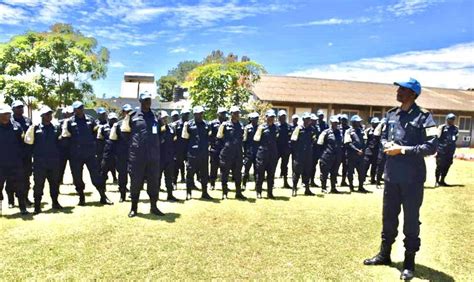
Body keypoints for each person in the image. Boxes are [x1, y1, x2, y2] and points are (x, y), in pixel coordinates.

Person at [364, 78, 438, 280]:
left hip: (412, 179)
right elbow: (383, 139)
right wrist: (387, 145)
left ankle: (409, 262)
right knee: (388, 217)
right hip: (391, 176)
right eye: (398, 88)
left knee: (411, 221)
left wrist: (402, 150)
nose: (398, 91)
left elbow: (431, 147)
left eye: (403, 89)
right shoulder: (390, 115)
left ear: (413, 94)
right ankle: (384, 254)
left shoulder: (424, 117)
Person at [121, 92, 164, 217]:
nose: (147, 102)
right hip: (137, 156)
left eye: (149, 100)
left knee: (154, 182)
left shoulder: (156, 116)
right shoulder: (132, 116)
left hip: (153, 156)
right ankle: (134, 208)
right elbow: (125, 133)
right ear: (140, 102)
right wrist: (135, 144)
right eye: (145, 100)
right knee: (135, 182)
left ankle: (154, 207)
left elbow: (161, 133)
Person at [61, 101, 113, 206]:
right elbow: (66, 137)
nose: (79, 110)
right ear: (74, 110)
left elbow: (96, 134)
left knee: (96, 176)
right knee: (77, 177)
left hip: (90, 153)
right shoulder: (70, 122)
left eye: (81, 108)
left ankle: (103, 196)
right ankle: (81, 197)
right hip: (76, 154)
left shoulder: (90, 120)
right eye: (77, 109)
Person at [24, 106, 63, 214]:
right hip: (39, 163)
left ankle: (55, 202)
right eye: (47, 114)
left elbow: (60, 143)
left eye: (50, 114)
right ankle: (37, 206)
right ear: (42, 116)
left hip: (53, 162)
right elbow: (28, 144)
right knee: (38, 185)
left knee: (54, 184)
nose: (49, 116)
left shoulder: (56, 128)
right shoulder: (35, 128)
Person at [0, 104, 29, 215]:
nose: (6, 116)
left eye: (8, 114)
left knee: (20, 186)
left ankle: (22, 207)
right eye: (4, 114)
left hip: (15, 162)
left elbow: (23, 143)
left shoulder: (16, 126)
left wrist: (21, 157)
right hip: (1, 163)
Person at [182, 106, 213, 200]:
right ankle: (188, 192)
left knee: (204, 173)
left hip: (203, 153)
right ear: (194, 114)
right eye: (199, 113)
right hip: (192, 154)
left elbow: (209, 138)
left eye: (202, 113)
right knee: (190, 173)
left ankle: (204, 192)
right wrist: (186, 155)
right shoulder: (188, 125)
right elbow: (185, 139)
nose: (201, 115)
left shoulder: (207, 125)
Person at [6, 100, 33, 207]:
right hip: (12, 155)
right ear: (12, 109)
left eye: (21, 107)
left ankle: (25, 198)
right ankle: (11, 200)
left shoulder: (27, 120)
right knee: (11, 178)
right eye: (17, 107)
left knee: (26, 178)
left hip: (25, 154)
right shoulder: (9, 120)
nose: (20, 109)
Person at [217, 106, 246, 200]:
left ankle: (238, 193)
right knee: (224, 173)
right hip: (227, 153)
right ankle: (224, 193)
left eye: (238, 113)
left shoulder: (241, 125)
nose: (237, 115)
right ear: (231, 114)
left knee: (238, 174)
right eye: (235, 113)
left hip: (238, 154)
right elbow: (219, 137)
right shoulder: (224, 125)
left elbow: (243, 138)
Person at [108, 104, 132, 202]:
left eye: (130, 111)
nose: (128, 114)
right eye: (126, 111)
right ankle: (122, 195)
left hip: (133, 153)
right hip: (121, 154)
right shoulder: (117, 125)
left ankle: (133, 194)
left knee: (135, 175)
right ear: (122, 113)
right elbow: (112, 139)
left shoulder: (136, 124)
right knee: (122, 175)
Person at [254, 110, 279, 199]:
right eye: (270, 117)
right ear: (266, 117)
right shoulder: (261, 128)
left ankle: (270, 193)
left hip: (272, 154)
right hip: (262, 154)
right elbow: (256, 140)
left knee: (271, 175)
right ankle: (259, 192)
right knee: (260, 174)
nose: (271, 119)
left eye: (273, 117)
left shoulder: (276, 128)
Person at [290, 113, 315, 197]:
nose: (308, 121)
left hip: (308, 154)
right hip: (299, 154)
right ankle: (294, 189)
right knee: (297, 172)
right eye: (306, 119)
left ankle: (307, 189)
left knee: (307, 171)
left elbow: (313, 140)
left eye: (309, 119)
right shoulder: (298, 128)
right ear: (303, 120)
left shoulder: (312, 129)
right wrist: (296, 152)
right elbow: (293, 141)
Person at [318, 115, 343, 194]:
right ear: (331, 123)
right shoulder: (325, 132)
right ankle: (323, 187)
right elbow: (319, 144)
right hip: (327, 156)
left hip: (337, 156)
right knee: (324, 173)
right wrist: (322, 154)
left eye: (337, 123)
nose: (335, 124)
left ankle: (333, 188)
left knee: (334, 173)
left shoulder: (340, 132)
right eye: (334, 123)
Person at [344, 115, 368, 193]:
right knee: (350, 172)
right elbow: (348, 143)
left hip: (361, 156)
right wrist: (357, 150)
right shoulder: (348, 131)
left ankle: (361, 186)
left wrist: (362, 150)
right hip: (351, 155)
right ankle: (351, 186)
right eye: (357, 122)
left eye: (359, 122)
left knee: (361, 172)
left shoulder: (362, 131)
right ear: (353, 122)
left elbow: (365, 142)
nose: (358, 123)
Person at [158, 111, 178, 202]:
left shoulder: (171, 128)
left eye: (166, 118)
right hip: (159, 158)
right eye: (163, 118)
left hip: (169, 157)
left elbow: (174, 141)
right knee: (157, 177)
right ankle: (155, 196)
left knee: (169, 177)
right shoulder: (156, 129)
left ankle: (170, 195)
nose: (165, 120)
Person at [435, 113, 459, 187]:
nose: (452, 121)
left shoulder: (455, 128)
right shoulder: (442, 127)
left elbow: (455, 138)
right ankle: (437, 181)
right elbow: (437, 138)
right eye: (450, 119)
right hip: (442, 150)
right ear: (447, 119)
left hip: (450, 151)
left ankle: (442, 180)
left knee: (447, 166)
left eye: (453, 119)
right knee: (440, 166)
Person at [209, 107, 228, 190]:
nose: (223, 115)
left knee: (224, 168)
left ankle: (224, 185)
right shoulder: (212, 123)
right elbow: (209, 135)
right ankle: (212, 184)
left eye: (224, 113)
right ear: (218, 114)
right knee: (213, 167)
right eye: (221, 113)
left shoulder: (228, 123)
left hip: (224, 149)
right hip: (215, 149)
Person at [98, 112, 118, 183]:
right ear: (108, 119)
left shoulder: (119, 127)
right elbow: (99, 139)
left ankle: (119, 182)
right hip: (107, 151)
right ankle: (103, 185)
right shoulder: (103, 127)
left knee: (119, 169)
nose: (113, 121)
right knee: (104, 168)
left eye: (114, 119)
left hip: (117, 151)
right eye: (112, 119)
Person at [242, 112, 259, 190]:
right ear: (251, 119)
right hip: (248, 152)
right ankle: (244, 184)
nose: (255, 120)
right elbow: (244, 140)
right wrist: (244, 152)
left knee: (257, 170)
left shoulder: (260, 128)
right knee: (246, 170)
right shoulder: (247, 128)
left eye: (256, 119)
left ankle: (257, 185)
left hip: (258, 152)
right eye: (254, 119)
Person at [173, 108, 190, 185]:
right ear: (182, 115)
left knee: (189, 166)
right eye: (185, 114)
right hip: (178, 148)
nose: (187, 116)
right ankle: (174, 182)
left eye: (188, 114)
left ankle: (188, 181)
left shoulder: (190, 124)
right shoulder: (176, 124)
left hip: (187, 148)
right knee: (176, 166)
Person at [276, 110, 292, 188]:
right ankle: (271, 182)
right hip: (276, 149)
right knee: (273, 165)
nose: (283, 118)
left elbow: (291, 138)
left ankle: (285, 182)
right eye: (281, 117)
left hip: (285, 149)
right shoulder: (275, 126)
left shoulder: (288, 127)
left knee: (285, 166)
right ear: (278, 117)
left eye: (284, 117)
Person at [58, 106, 73, 186]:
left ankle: (75, 180)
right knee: (61, 166)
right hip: (62, 148)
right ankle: (59, 180)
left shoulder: (73, 123)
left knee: (74, 166)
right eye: (67, 114)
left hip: (72, 147)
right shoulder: (59, 123)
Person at [363, 117, 381, 185]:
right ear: (372, 123)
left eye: (377, 123)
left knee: (374, 166)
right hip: (368, 150)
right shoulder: (368, 130)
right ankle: (363, 178)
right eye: (375, 123)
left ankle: (373, 179)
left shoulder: (379, 131)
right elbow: (365, 140)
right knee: (365, 166)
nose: (376, 124)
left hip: (376, 151)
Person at [309, 113, 321, 187]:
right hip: (308, 150)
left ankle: (312, 181)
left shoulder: (317, 128)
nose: (315, 122)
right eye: (314, 120)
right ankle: (305, 181)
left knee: (313, 166)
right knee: (307, 167)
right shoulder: (307, 128)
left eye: (316, 120)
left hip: (315, 150)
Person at [339, 114, 350, 187]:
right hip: (339, 150)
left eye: (345, 120)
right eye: (342, 120)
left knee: (345, 166)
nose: (344, 121)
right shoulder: (337, 128)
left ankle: (343, 180)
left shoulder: (349, 129)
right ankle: (334, 180)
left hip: (346, 150)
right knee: (335, 166)